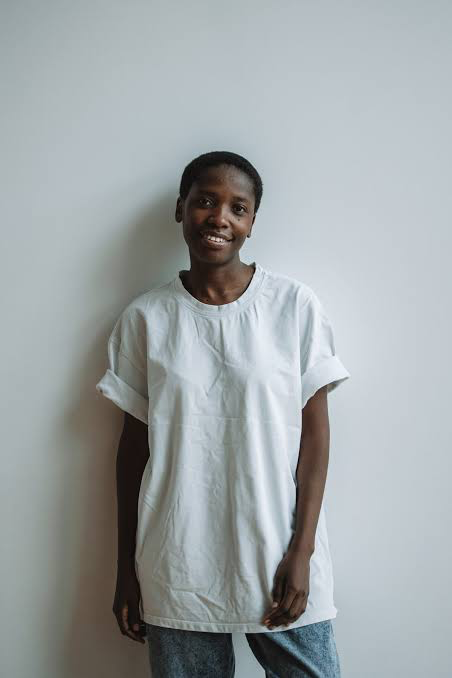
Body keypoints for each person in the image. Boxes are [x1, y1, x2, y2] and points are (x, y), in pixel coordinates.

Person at [95, 151, 350, 677]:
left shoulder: (293, 306)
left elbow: (316, 441)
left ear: (252, 222)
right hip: (178, 562)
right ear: (181, 209)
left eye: (238, 207)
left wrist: (302, 552)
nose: (219, 218)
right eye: (205, 201)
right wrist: (126, 569)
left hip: (278, 557)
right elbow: (132, 453)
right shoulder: (145, 319)